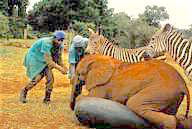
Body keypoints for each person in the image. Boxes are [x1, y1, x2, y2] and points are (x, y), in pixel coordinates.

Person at [20, 30, 68, 104]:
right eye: (59, 40)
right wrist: (60, 69)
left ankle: (47, 99)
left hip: (45, 60)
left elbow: (58, 59)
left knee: (50, 79)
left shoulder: (60, 46)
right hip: (35, 58)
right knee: (37, 78)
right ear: (54, 38)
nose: (60, 42)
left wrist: (64, 67)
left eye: (62, 40)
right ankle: (24, 91)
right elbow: (49, 62)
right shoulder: (47, 43)